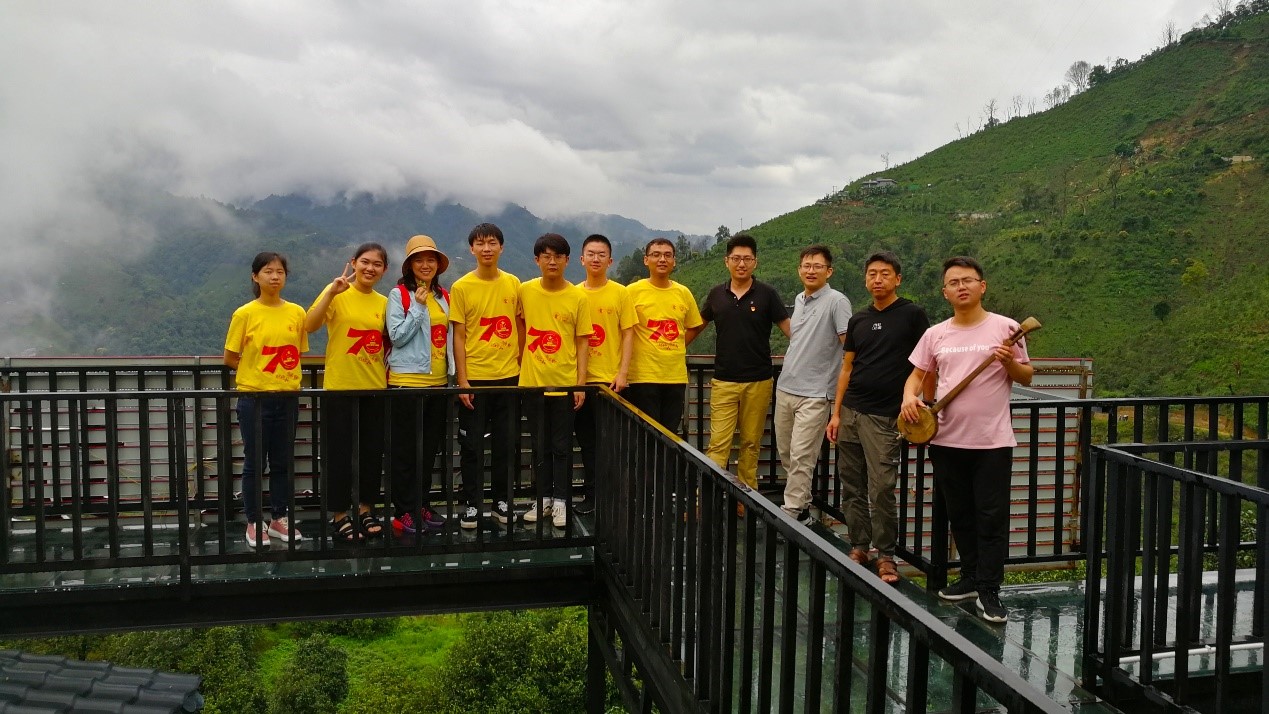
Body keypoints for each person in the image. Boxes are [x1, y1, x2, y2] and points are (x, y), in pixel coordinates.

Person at [900, 256, 1032, 623]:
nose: (961, 286)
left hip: (991, 442)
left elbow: (1026, 376)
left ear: (982, 286)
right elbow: (917, 376)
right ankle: (971, 577)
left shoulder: (1006, 328)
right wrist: (909, 397)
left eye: (968, 280)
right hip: (946, 441)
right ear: (945, 292)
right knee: (960, 515)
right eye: (953, 282)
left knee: (991, 517)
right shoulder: (936, 334)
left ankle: (989, 589)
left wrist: (1008, 363)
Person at [826, 251, 929, 585]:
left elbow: (925, 364)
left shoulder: (912, 315)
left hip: (885, 417)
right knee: (851, 482)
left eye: (885, 274)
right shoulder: (858, 320)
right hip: (851, 411)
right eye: (872, 274)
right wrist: (836, 413)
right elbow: (847, 368)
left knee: (882, 487)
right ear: (865, 279)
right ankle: (859, 545)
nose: (878, 279)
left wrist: (919, 399)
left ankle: (886, 555)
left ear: (898, 279)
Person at [304, 243, 390, 542]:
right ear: (353, 263)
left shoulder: (384, 302)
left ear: (384, 270)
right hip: (340, 386)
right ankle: (339, 515)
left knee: (371, 454)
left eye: (377, 264)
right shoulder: (337, 293)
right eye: (365, 262)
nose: (369, 268)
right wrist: (331, 292)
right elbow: (310, 325)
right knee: (338, 454)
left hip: (375, 386)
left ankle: (366, 510)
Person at [224, 252, 309, 548]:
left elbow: (296, 353)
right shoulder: (245, 313)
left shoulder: (297, 312)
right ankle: (253, 521)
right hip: (254, 398)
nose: (274, 276)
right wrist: (257, 372)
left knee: (283, 461)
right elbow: (230, 357)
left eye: (280, 271)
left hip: (287, 396)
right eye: (268, 271)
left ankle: (279, 518)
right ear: (255, 276)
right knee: (254, 462)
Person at [699, 234, 790, 490]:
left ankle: (747, 499)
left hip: (758, 381)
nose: (741, 264)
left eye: (747, 259)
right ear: (726, 261)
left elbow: (790, 330)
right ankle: (707, 498)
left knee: (750, 444)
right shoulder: (716, 294)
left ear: (755, 262)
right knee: (718, 444)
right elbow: (696, 327)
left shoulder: (767, 294)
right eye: (736, 258)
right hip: (724, 380)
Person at [517, 234, 592, 529]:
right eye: (546, 256)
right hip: (532, 383)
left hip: (565, 384)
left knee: (562, 446)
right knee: (540, 446)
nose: (552, 261)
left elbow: (583, 342)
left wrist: (580, 384)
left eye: (558, 256)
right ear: (537, 260)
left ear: (567, 260)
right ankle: (543, 499)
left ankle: (561, 500)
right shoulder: (525, 290)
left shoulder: (578, 297)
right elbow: (519, 323)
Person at [450, 223, 521, 529]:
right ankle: (471, 504)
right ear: (472, 249)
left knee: (506, 444)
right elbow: (459, 336)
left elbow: (519, 326)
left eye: (492, 243)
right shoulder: (462, 287)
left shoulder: (513, 283)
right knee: (471, 447)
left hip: (509, 377)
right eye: (480, 243)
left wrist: (520, 364)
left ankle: (502, 501)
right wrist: (462, 381)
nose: (486, 248)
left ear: (501, 247)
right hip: (475, 379)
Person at [775, 245, 851, 525]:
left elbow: (849, 349)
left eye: (817, 266)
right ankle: (804, 509)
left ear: (829, 271)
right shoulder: (799, 299)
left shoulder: (837, 301)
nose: (811, 271)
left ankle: (790, 515)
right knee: (787, 453)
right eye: (806, 266)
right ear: (799, 270)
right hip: (786, 387)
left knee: (802, 456)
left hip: (816, 393)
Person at [385, 234, 453, 535]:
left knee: (428, 452)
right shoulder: (398, 295)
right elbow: (397, 337)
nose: (425, 265)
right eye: (419, 260)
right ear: (410, 265)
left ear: (438, 264)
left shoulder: (444, 296)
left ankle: (421, 504)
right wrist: (418, 308)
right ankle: (404, 511)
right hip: (406, 384)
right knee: (405, 453)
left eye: (430, 259)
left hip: (437, 384)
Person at [574, 234, 636, 514]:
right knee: (587, 444)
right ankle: (592, 497)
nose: (596, 259)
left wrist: (623, 373)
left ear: (610, 261)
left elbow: (628, 334)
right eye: (591, 253)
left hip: (612, 382)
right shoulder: (574, 293)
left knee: (614, 445)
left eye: (601, 254)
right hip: (581, 383)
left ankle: (615, 499)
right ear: (581, 259)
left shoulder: (621, 293)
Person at [625, 238, 705, 434]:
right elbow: (622, 329)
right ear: (646, 260)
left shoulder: (683, 293)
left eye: (667, 255)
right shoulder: (631, 292)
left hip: (675, 376)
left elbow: (695, 326)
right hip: (642, 377)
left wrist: (678, 345)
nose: (662, 259)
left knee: (669, 434)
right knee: (646, 434)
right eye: (656, 255)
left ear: (674, 261)